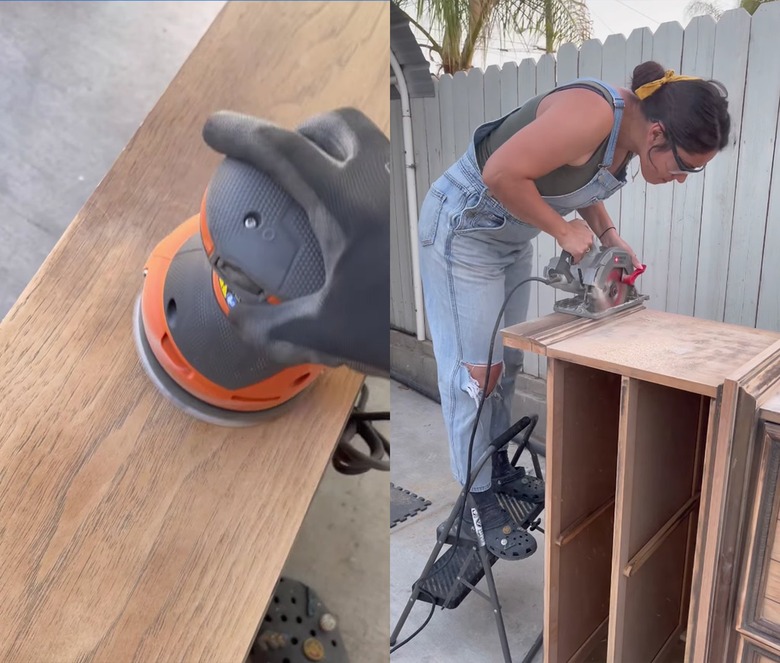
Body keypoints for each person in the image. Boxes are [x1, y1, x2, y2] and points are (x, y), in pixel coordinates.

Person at [417, 60, 731, 560]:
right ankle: (477, 505)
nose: (683, 179)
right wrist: (563, 231)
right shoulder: (593, 113)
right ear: (657, 133)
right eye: (686, 165)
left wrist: (607, 235)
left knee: (508, 362)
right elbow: (500, 173)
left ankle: (494, 469)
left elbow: (575, 178)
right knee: (477, 376)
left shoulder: (625, 135)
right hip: (465, 229)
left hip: (509, 235)